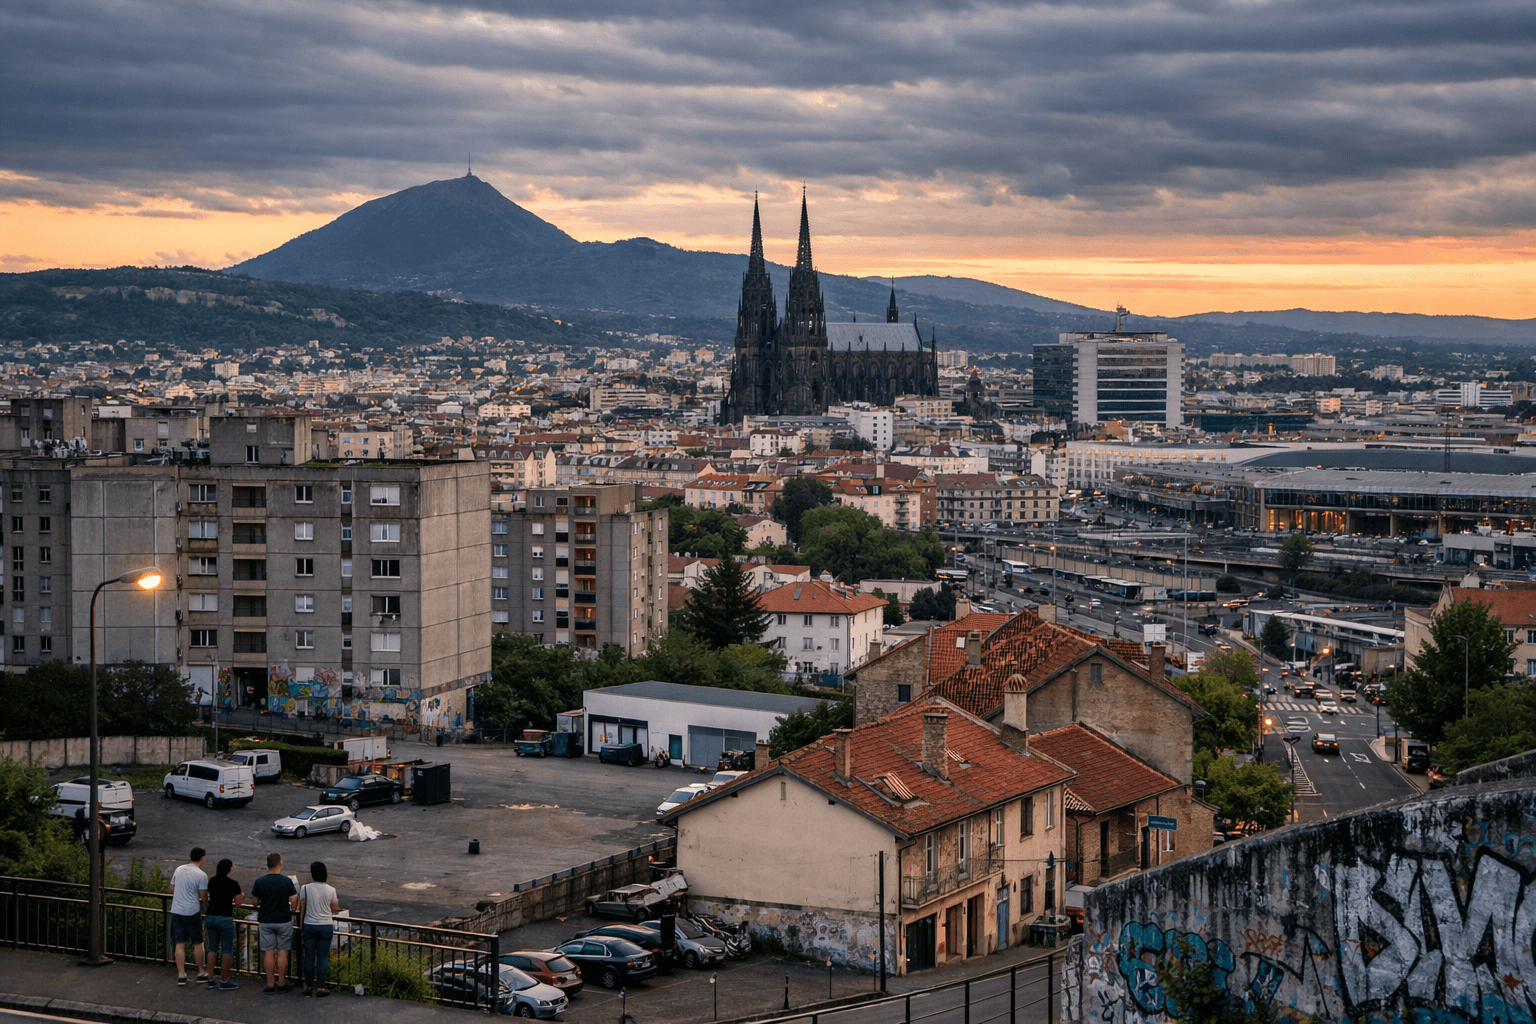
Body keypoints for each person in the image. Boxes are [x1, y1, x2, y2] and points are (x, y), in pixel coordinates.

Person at [249, 851, 298, 993]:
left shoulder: (260, 881)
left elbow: (254, 902)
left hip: (266, 920)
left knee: (268, 952)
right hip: (283, 920)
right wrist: (293, 911)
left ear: (267, 865)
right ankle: (282, 983)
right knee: (283, 952)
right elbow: (294, 900)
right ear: (280, 864)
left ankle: (270, 984)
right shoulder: (287, 881)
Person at [296, 861, 341, 998]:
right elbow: (335, 909)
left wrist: (301, 925)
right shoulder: (331, 890)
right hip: (326, 926)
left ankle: (308, 986)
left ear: (312, 874)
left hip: (309, 925)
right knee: (323, 957)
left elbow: (301, 908)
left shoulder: (304, 888)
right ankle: (321, 988)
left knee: (309, 956)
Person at [169, 847, 209, 987]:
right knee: (198, 942)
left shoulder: (179, 869)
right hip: (192, 911)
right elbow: (204, 897)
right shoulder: (201, 875)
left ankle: (181, 974)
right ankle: (201, 972)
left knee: (180, 943)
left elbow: (170, 889)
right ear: (202, 858)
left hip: (176, 910)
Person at [204, 859, 244, 990]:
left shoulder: (212, 880)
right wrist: (242, 895)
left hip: (210, 916)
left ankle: (210, 978)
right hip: (225, 918)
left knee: (212, 948)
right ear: (230, 869)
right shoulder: (233, 884)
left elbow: (207, 895)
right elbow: (238, 902)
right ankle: (224, 980)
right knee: (227, 949)